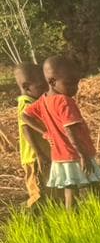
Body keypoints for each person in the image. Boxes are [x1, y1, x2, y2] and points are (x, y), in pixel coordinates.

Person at [21, 56, 100, 210]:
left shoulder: (43, 100)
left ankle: (71, 220)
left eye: (77, 83)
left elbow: (24, 116)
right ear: (52, 82)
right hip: (76, 153)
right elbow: (70, 130)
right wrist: (83, 155)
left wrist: (46, 132)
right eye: (69, 83)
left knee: (70, 189)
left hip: (60, 156)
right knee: (94, 184)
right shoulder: (65, 101)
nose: (76, 88)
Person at [13, 62, 51, 211]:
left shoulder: (36, 100)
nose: (46, 90)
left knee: (49, 189)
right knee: (38, 193)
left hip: (44, 156)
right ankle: (30, 216)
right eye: (41, 86)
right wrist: (39, 154)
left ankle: (49, 215)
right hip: (34, 158)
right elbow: (26, 128)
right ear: (27, 87)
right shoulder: (25, 102)